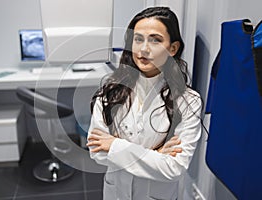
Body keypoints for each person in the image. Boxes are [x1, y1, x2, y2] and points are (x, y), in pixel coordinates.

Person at [86, 6, 202, 200]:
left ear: (173, 48)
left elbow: (174, 168)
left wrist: (114, 145)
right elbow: (96, 152)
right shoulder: (110, 93)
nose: (143, 49)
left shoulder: (189, 101)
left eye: (155, 40)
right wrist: (154, 154)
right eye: (138, 39)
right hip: (116, 193)